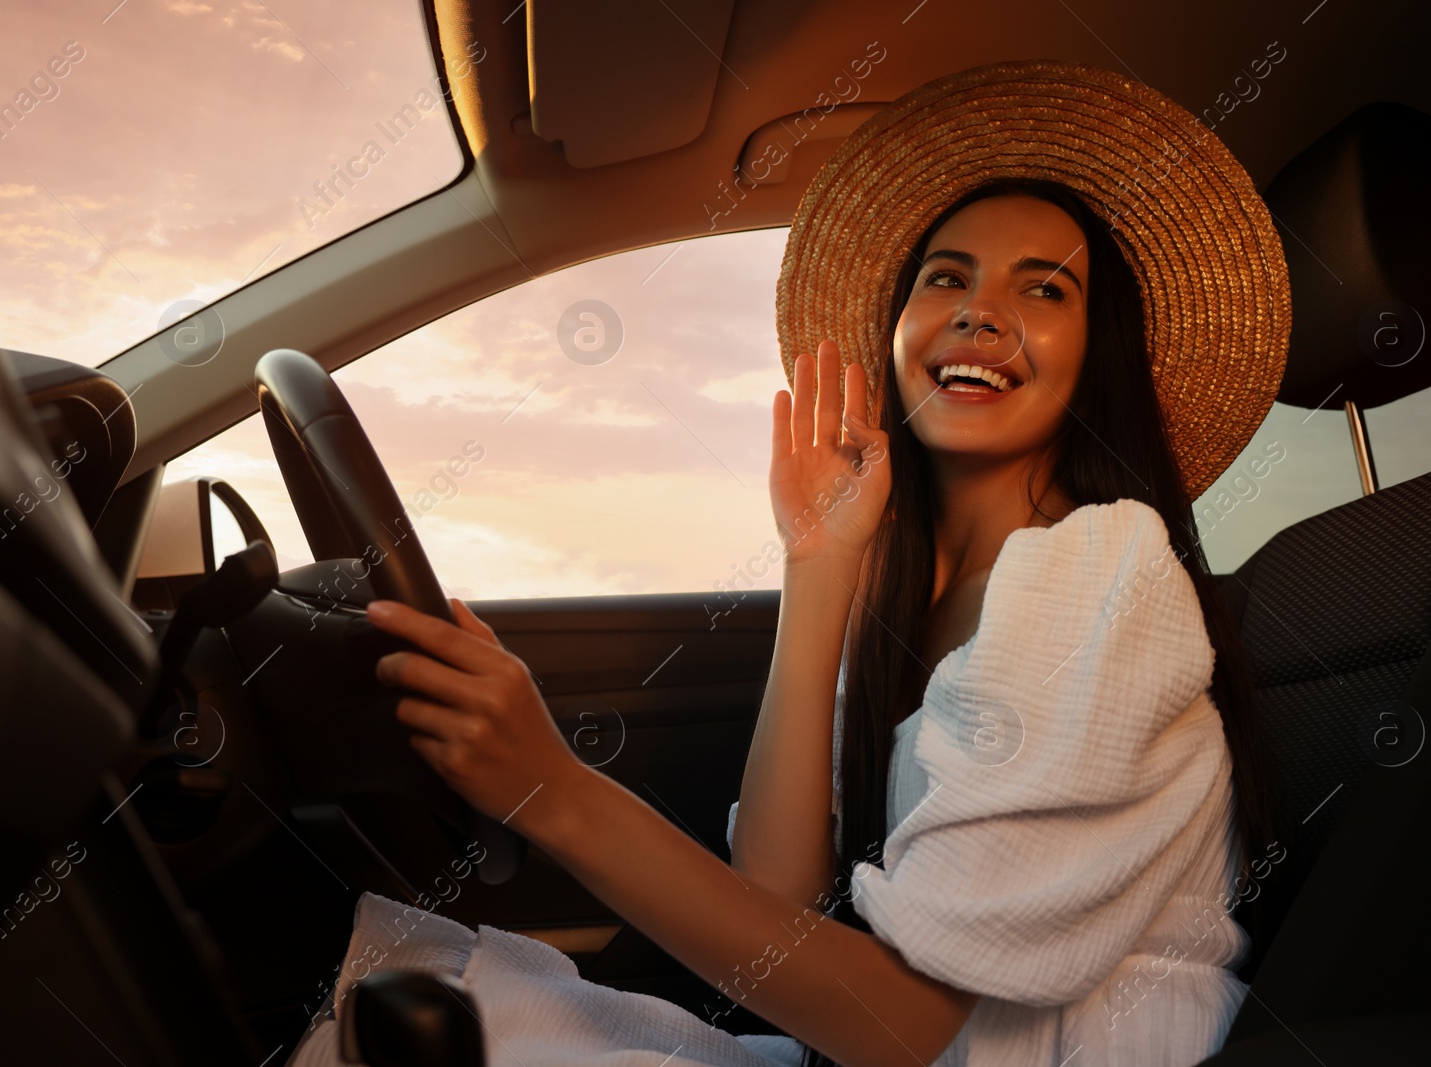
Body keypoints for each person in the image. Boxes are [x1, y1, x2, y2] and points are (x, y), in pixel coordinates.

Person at [292, 60, 1291, 1067]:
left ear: (1097, 352)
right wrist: (817, 562)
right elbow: (774, 909)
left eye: (1043, 288)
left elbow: (920, 1028)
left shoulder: (1095, 574)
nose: (978, 311)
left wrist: (550, 788)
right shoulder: (913, 592)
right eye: (946, 276)